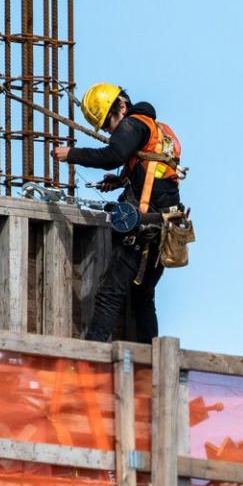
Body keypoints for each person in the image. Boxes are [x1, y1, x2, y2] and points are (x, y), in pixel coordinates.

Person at [53, 83, 183, 343]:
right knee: (142, 296)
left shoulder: (133, 124)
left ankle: (93, 360)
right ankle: (152, 363)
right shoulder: (158, 130)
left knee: (110, 294)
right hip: (166, 225)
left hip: (145, 227)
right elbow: (154, 174)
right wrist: (123, 179)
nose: (110, 131)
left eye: (108, 123)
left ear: (121, 107)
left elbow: (114, 154)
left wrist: (72, 155)